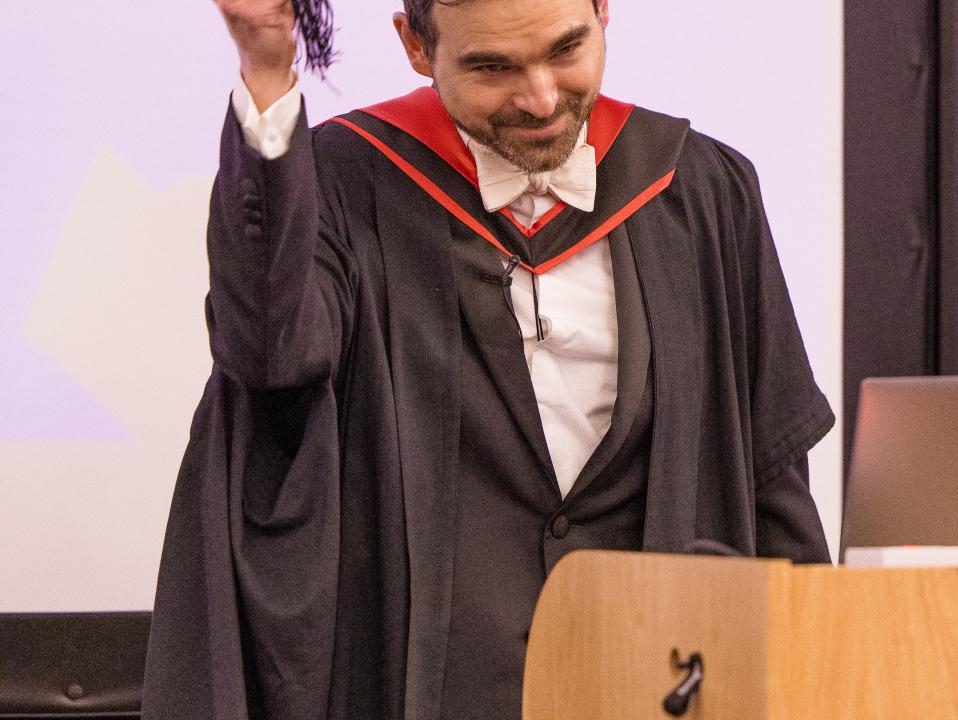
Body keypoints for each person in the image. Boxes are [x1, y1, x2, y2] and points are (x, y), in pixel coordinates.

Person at [142, 0, 833, 718]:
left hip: (660, 675)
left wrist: (824, 672)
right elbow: (268, 348)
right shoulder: (344, 184)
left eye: (567, 49)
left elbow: (771, 475)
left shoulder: (704, 190)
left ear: (603, 10)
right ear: (416, 46)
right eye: (492, 67)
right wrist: (266, 71)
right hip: (433, 683)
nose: (540, 98)